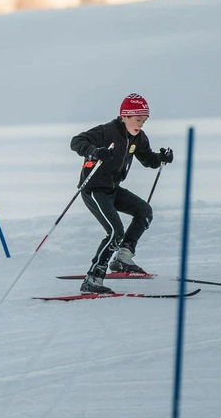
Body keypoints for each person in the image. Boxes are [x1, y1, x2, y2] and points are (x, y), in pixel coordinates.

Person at [69, 93, 174, 294]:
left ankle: (122, 258)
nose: (141, 124)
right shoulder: (107, 131)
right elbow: (76, 141)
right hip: (94, 189)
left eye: (144, 120)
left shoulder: (138, 137)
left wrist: (162, 157)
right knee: (115, 232)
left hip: (113, 189)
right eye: (138, 119)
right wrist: (94, 151)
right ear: (124, 115)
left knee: (144, 211)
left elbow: (148, 160)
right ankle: (92, 279)